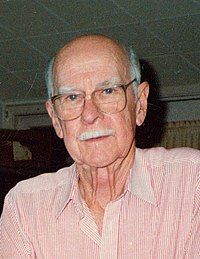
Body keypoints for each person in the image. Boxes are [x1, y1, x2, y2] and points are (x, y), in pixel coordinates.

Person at [1, 34, 199, 259]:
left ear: (140, 105)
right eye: (72, 97)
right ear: (55, 119)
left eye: (108, 91)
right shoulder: (25, 206)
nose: (90, 114)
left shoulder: (192, 182)